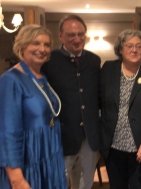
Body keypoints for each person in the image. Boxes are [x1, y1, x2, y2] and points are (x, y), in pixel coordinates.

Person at [0, 25, 67, 189]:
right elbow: (7, 132)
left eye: (46, 45)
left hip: (49, 155)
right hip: (28, 161)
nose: (42, 49)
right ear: (22, 46)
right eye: (36, 43)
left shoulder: (41, 77)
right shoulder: (11, 80)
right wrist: (16, 179)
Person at [100, 29, 141, 189]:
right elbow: (97, 100)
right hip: (113, 146)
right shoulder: (108, 69)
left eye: (139, 46)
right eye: (129, 46)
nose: (134, 50)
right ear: (120, 49)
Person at [41, 14, 101, 189]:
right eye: (71, 35)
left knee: (85, 183)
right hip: (62, 137)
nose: (77, 39)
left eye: (81, 34)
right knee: (57, 183)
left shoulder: (94, 60)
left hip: (90, 138)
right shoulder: (48, 61)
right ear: (60, 36)